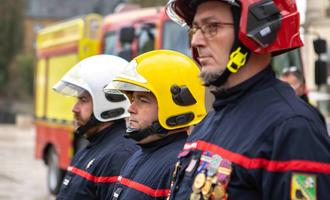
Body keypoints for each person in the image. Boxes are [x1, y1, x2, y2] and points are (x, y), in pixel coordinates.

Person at [165, 0, 330, 199]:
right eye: (196, 29)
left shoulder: (292, 129)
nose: (196, 41)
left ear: (260, 30)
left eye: (212, 27)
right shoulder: (212, 119)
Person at [104, 50, 206, 200]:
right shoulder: (140, 153)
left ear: (173, 107)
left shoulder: (179, 166)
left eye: (143, 100)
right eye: (133, 99)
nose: (130, 109)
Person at [53, 55, 138, 200]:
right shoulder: (93, 146)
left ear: (108, 101)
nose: (75, 109)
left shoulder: (119, 156)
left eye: (83, 100)